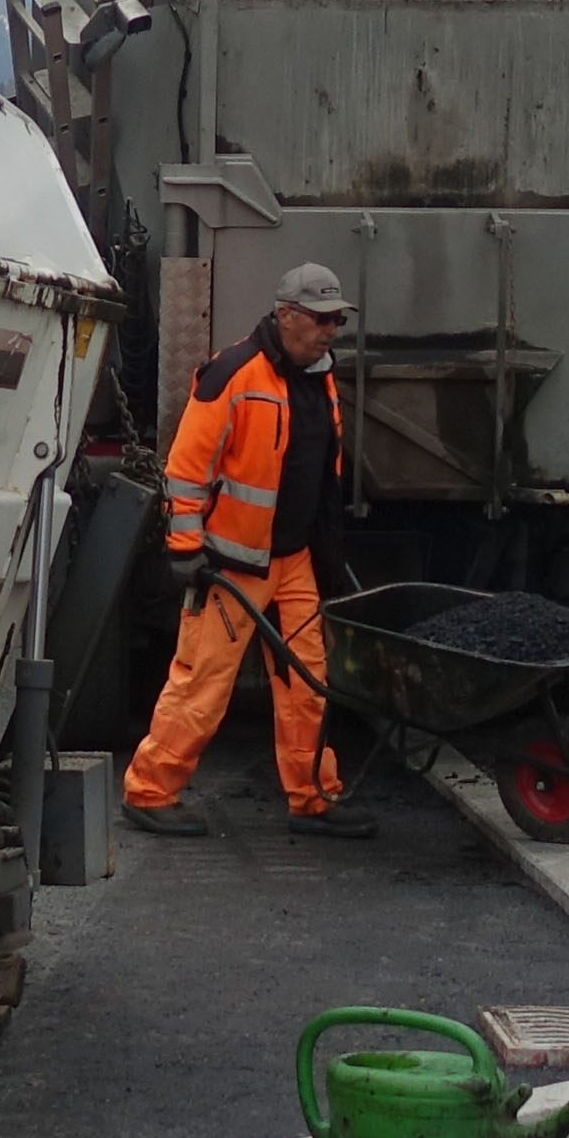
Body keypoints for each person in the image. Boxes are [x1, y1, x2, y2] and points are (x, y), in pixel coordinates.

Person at [124, 263, 376, 841]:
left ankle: (311, 796)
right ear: (286, 316)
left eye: (337, 318)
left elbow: (319, 469)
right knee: (202, 683)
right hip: (232, 565)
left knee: (308, 682)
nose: (331, 329)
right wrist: (186, 549)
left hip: (292, 563)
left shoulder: (318, 375)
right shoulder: (233, 374)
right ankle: (150, 792)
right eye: (321, 319)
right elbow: (185, 472)